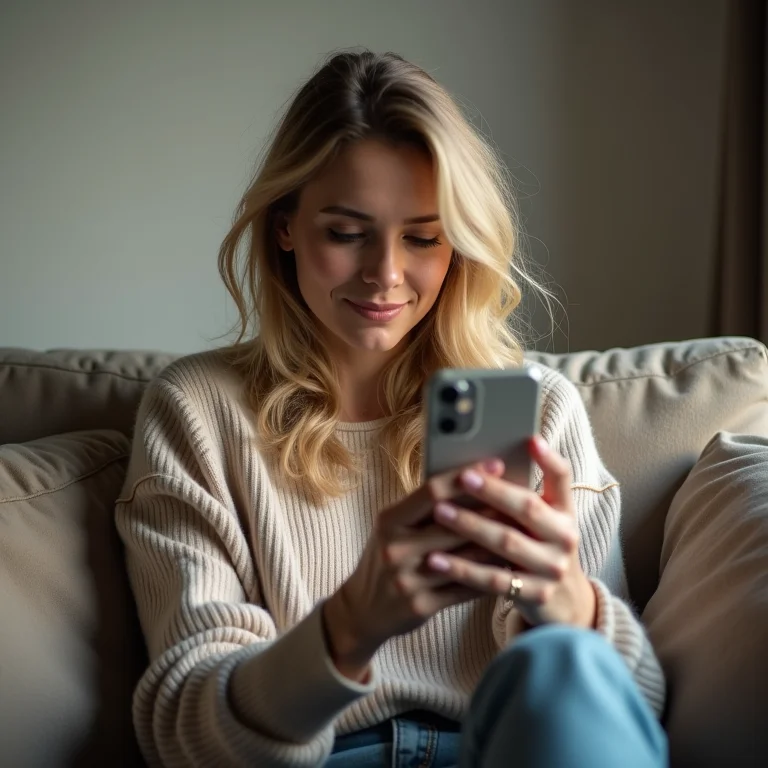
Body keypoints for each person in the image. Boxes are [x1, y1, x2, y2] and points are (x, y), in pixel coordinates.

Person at [115, 50, 667, 768]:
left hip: (507, 751)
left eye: (423, 237)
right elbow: (186, 734)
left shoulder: (539, 412)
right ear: (285, 225)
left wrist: (570, 607)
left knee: (555, 666)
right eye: (346, 233)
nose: (385, 274)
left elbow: (633, 713)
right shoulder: (197, 412)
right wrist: (347, 628)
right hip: (322, 757)